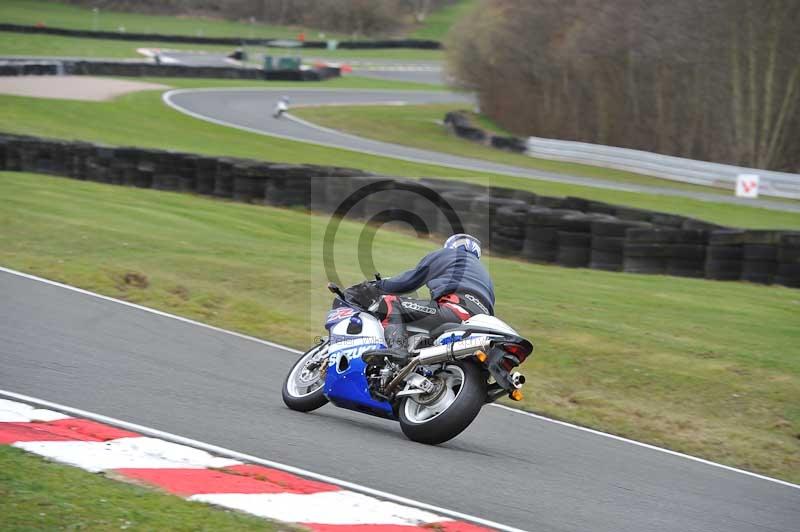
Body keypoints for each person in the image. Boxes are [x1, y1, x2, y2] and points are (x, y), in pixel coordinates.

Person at [363, 234, 495, 364]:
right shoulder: (486, 277)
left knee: (391, 302)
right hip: (480, 325)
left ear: (451, 246)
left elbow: (408, 281)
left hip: (455, 311)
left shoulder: (450, 255)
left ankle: (397, 349)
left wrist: (376, 286)